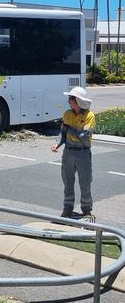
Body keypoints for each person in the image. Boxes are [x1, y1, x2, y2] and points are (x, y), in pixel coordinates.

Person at [51, 86, 96, 220]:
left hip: (83, 152)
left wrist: (69, 128)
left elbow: (84, 135)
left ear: (79, 101)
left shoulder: (89, 116)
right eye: (70, 98)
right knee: (68, 182)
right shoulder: (67, 114)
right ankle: (67, 208)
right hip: (68, 152)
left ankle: (86, 210)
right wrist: (57, 144)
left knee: (85, 182)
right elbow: (64, 135)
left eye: (71, 98)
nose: (69, 100)